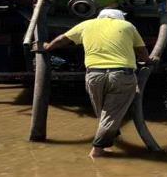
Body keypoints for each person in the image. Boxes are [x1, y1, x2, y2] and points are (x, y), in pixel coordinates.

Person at [43, 8, 152, 158]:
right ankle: (97, 149)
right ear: (119, 18)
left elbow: (63, 39)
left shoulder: (86, 24)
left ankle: (110, 140)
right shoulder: (127, 26)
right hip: (121, 75)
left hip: (94, 75)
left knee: (103, 113)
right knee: (111, 115)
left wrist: (48, 47)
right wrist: (147, 61)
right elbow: (142, 51)